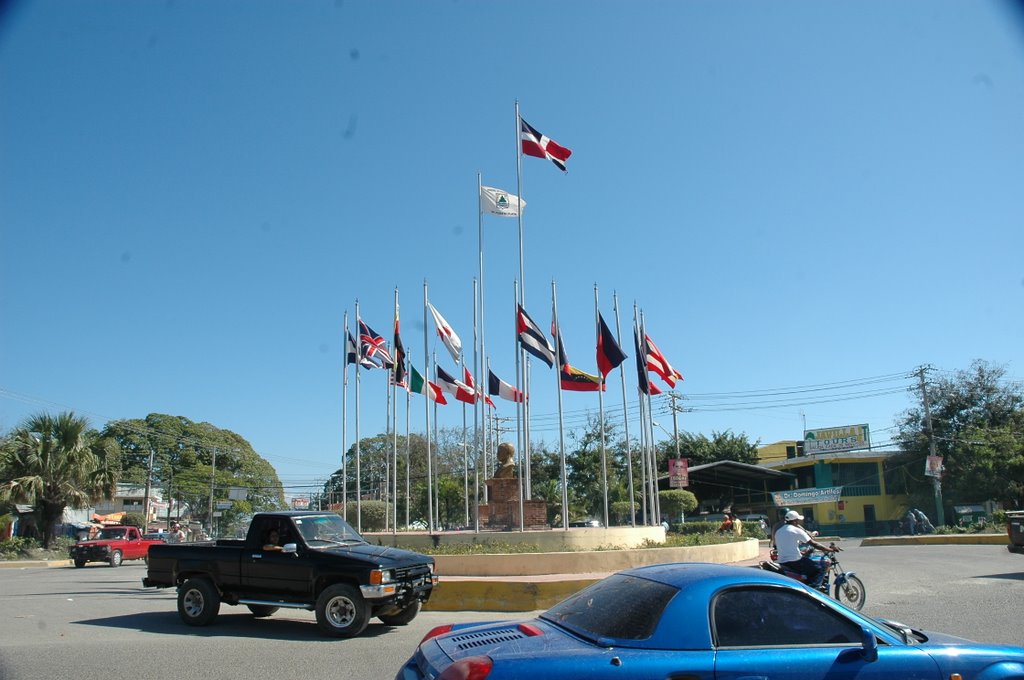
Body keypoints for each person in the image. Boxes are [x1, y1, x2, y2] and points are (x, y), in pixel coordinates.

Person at [774, 510, 837, 589]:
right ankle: (813, 591)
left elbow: (785, 545)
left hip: (782, 561)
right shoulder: (796, 530)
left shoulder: (779, 531)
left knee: (809, 567)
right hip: (795, 561)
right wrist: (830, 549)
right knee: (819, 569)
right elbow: (814, 544)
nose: (798, 522)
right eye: (797, 520)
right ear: (794, 521)